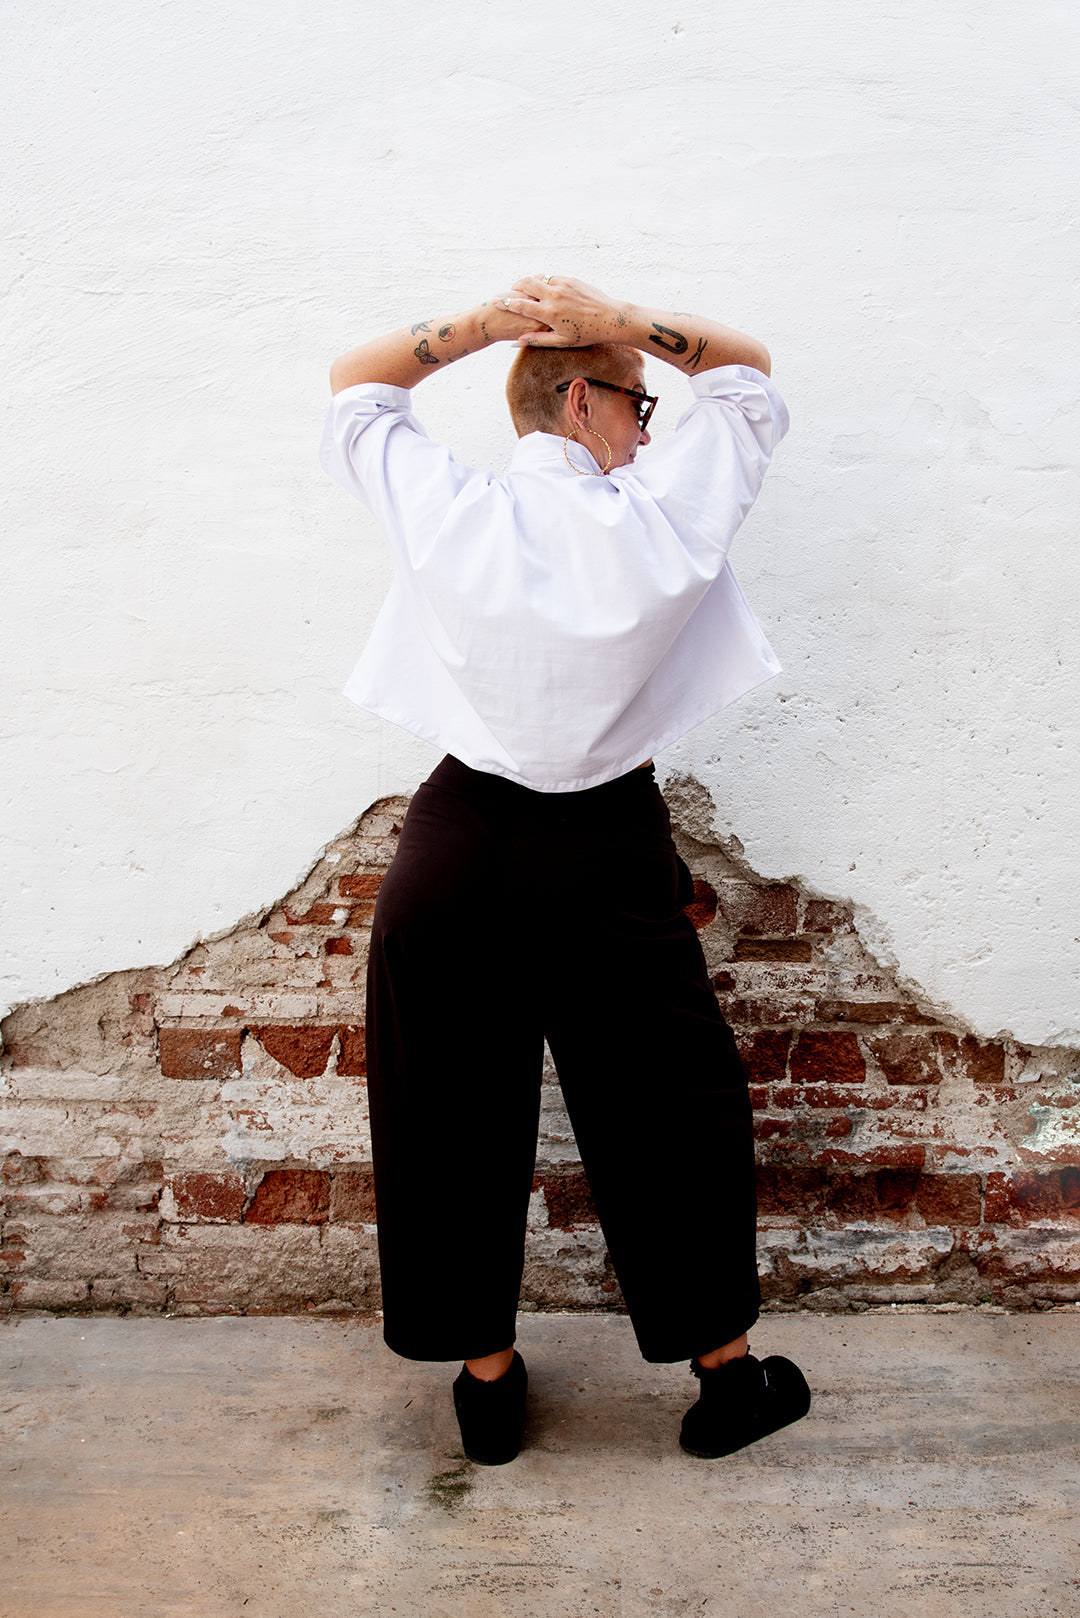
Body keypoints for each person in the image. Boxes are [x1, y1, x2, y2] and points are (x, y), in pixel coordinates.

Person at [321, 274, 811, 1464]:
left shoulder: (451, 509)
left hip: (456, 845)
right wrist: (631, 321)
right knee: (670, 1106)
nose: (650, 430)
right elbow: (746, 373)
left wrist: (487, 327)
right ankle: (725, 1382)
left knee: (446, 1105)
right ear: (587, 401)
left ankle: (487, 1386)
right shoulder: (662, 516)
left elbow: (356, 384)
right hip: (604, 844)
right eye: (639, 407)